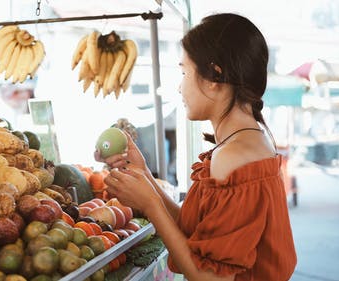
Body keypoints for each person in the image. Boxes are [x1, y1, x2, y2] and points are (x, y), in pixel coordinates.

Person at [95, 13, 297, 281]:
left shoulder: (234, 157)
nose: (180, 86)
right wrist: (143, 173)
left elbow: (210, 277)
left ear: (214, 76)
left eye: (184, 72)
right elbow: (196, 231)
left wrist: (151, 206)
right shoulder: (247, 141)